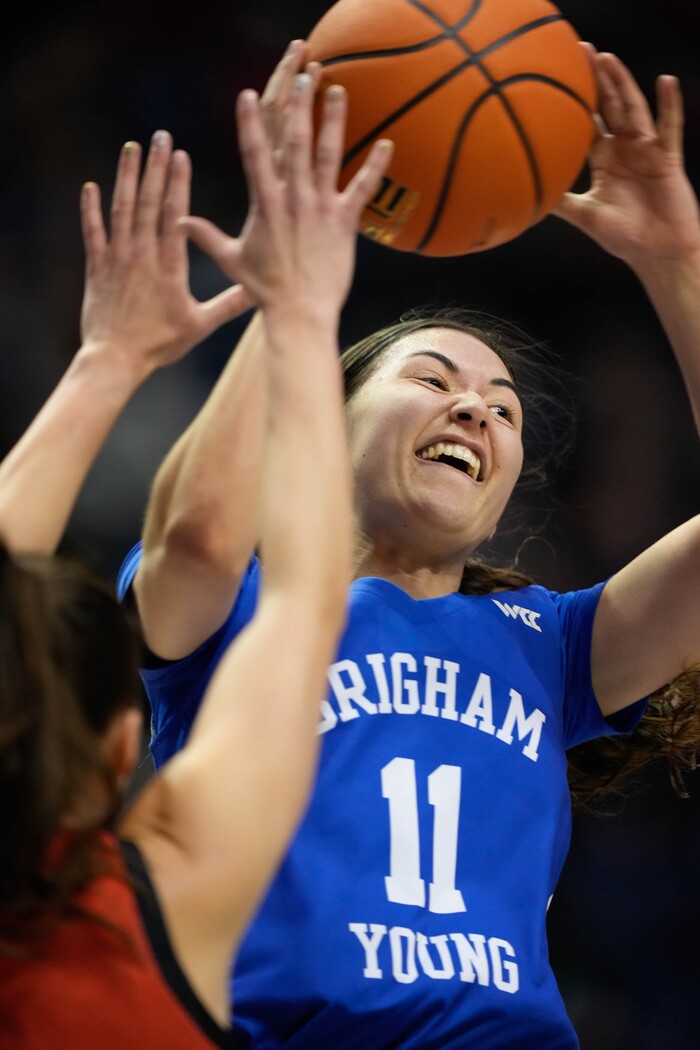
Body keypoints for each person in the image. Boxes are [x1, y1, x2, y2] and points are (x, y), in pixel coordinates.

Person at [117, 43, 700, 1050]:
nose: (473, 406)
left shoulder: (547, 645)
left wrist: (673, 262)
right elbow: (200, 531)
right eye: (430, 380)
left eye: (503, 409)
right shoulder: (238, 612)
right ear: (326, 417)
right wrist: (288, 293)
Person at [0, 55, 392, 1048]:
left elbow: (300, 605)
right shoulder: (156, 909)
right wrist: (301, 312)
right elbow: (306, 607)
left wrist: (107, 364)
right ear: (124, 750)